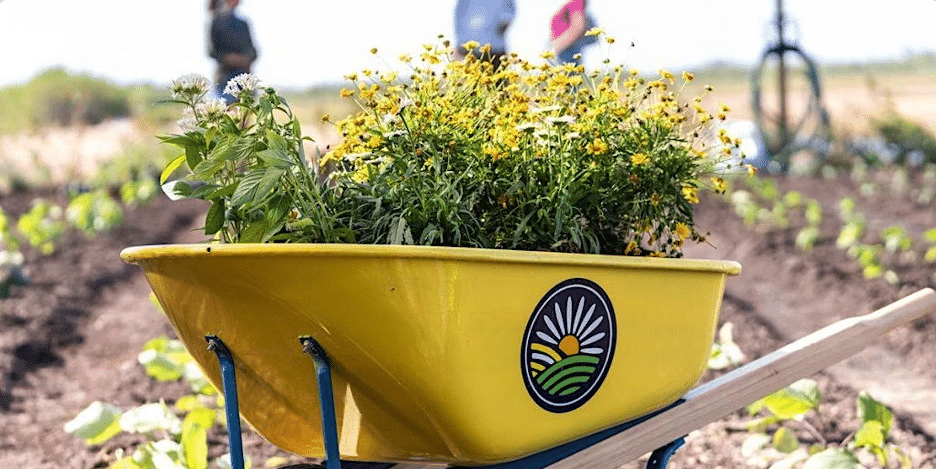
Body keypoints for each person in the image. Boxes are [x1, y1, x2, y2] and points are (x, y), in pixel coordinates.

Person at [208, 0, 258, 103]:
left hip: (244, 76)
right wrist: (229, 58)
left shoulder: (243, 23)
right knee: (229, 111)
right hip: (225, 76)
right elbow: (212, 51)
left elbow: (254, 51)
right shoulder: (216, 21)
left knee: (244, 111)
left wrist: (245, 59)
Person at [454, 0, 516, 70]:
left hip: (495, 49)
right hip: (470, 50)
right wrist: (460, 44)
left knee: (497, 77)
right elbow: (459, 18)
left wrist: (494, 29)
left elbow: (507, 17)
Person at [549, 0, 597, 65]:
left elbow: (577, 27)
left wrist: (557, 46)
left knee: (569, 72)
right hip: (565, 48)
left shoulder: (576, 2)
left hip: (566, 49)